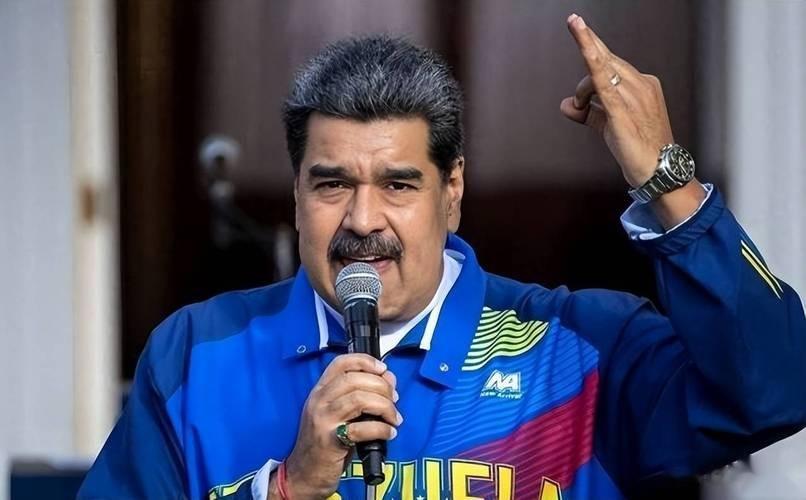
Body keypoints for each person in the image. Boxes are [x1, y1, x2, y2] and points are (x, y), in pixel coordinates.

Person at [78, 14, 806, 500]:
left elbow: (776, 391)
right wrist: (287, 488)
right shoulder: (195, 355)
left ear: (451, 192)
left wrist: (669, 185)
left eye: (398, 184)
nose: (363, 220)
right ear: (297, 194)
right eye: (332, 184)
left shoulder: (580, 349)